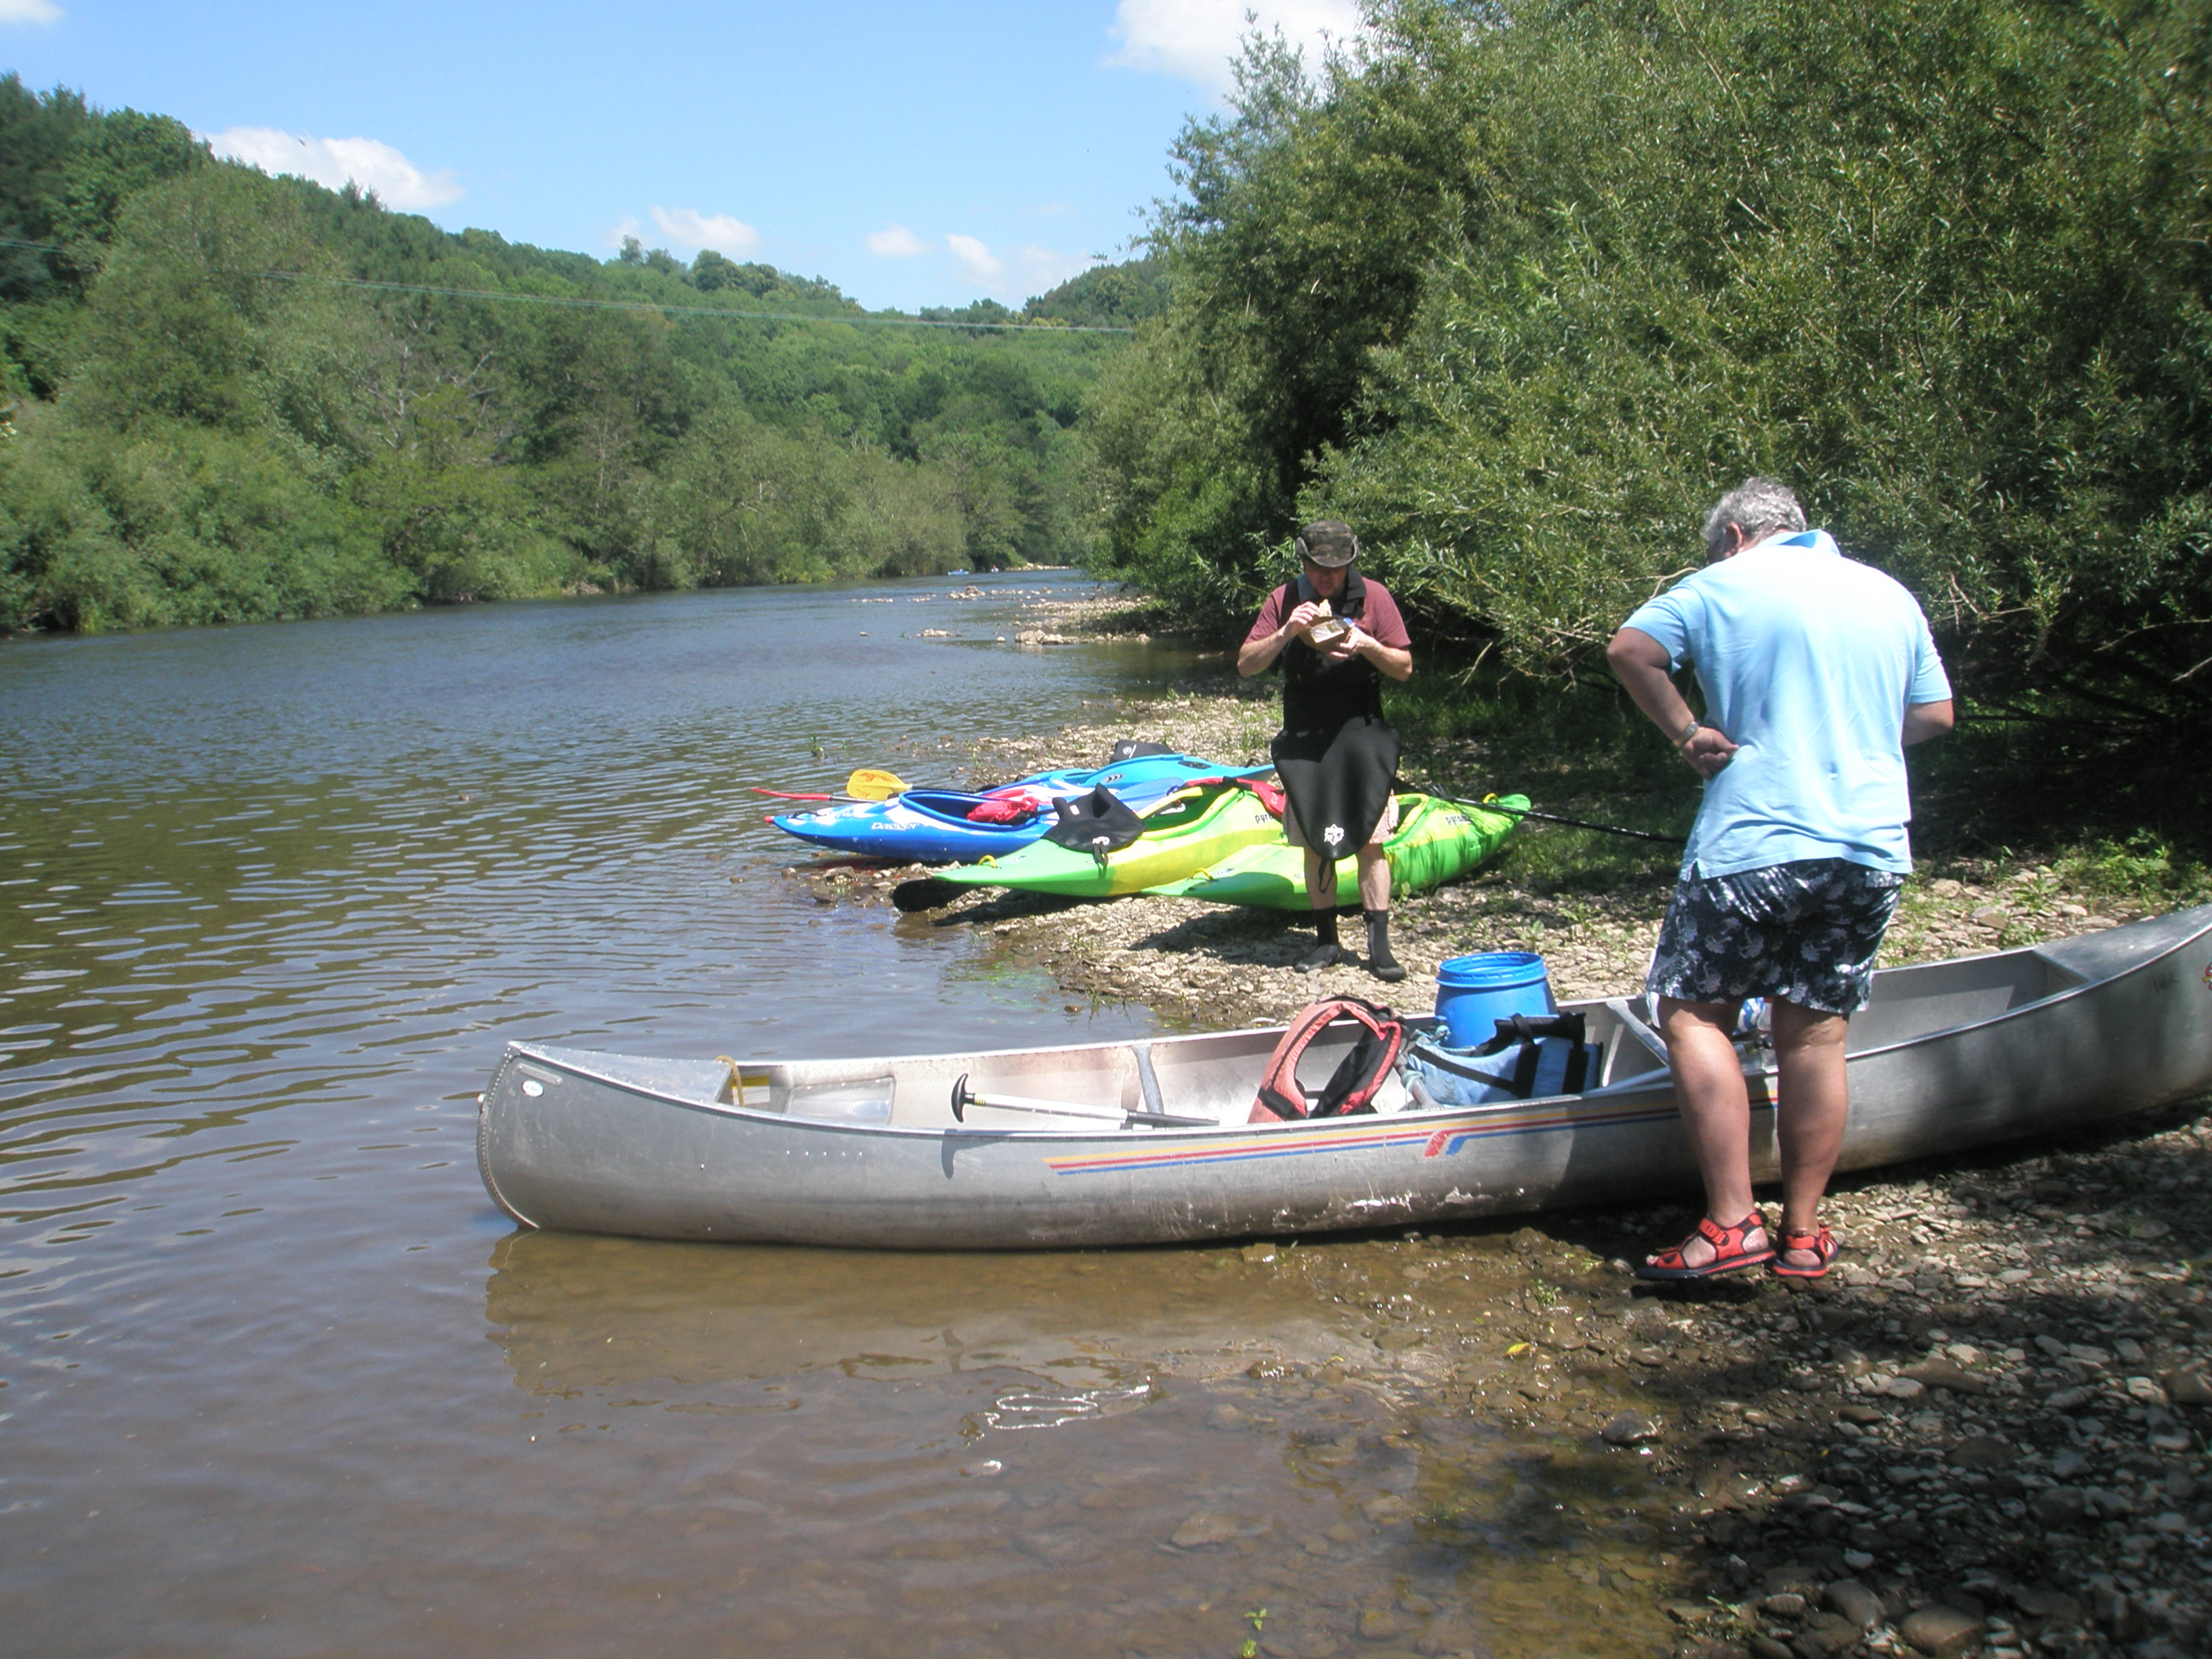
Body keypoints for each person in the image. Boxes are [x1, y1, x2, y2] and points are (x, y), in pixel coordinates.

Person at [1605, 477, 1953, 1280]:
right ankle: (1801, 1231)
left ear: (1732, 535)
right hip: (1866, 844)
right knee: (1817, 1029)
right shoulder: (1887, 593)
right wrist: (1854, 739)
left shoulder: (1719, 583)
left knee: (1693, 1013)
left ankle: (1731, 1224)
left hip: (1754, 839)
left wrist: (1688, 733)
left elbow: (1630, 649)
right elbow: (1935, 715)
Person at [1238, 520, 1415, 979]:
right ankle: (1325, 942)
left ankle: (1379, 947)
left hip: (1361, 732)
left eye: (1336, 569)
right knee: (1315, 842)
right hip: (1306, 735)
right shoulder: (1283, 599)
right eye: (1318, 568)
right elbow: (1245, 665)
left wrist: (1369, 644)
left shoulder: (1375, 597)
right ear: (1303, 562)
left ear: (1351, 563)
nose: (1327, 577)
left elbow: (1404, 668)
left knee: (1371, 842)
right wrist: (1285, 635)